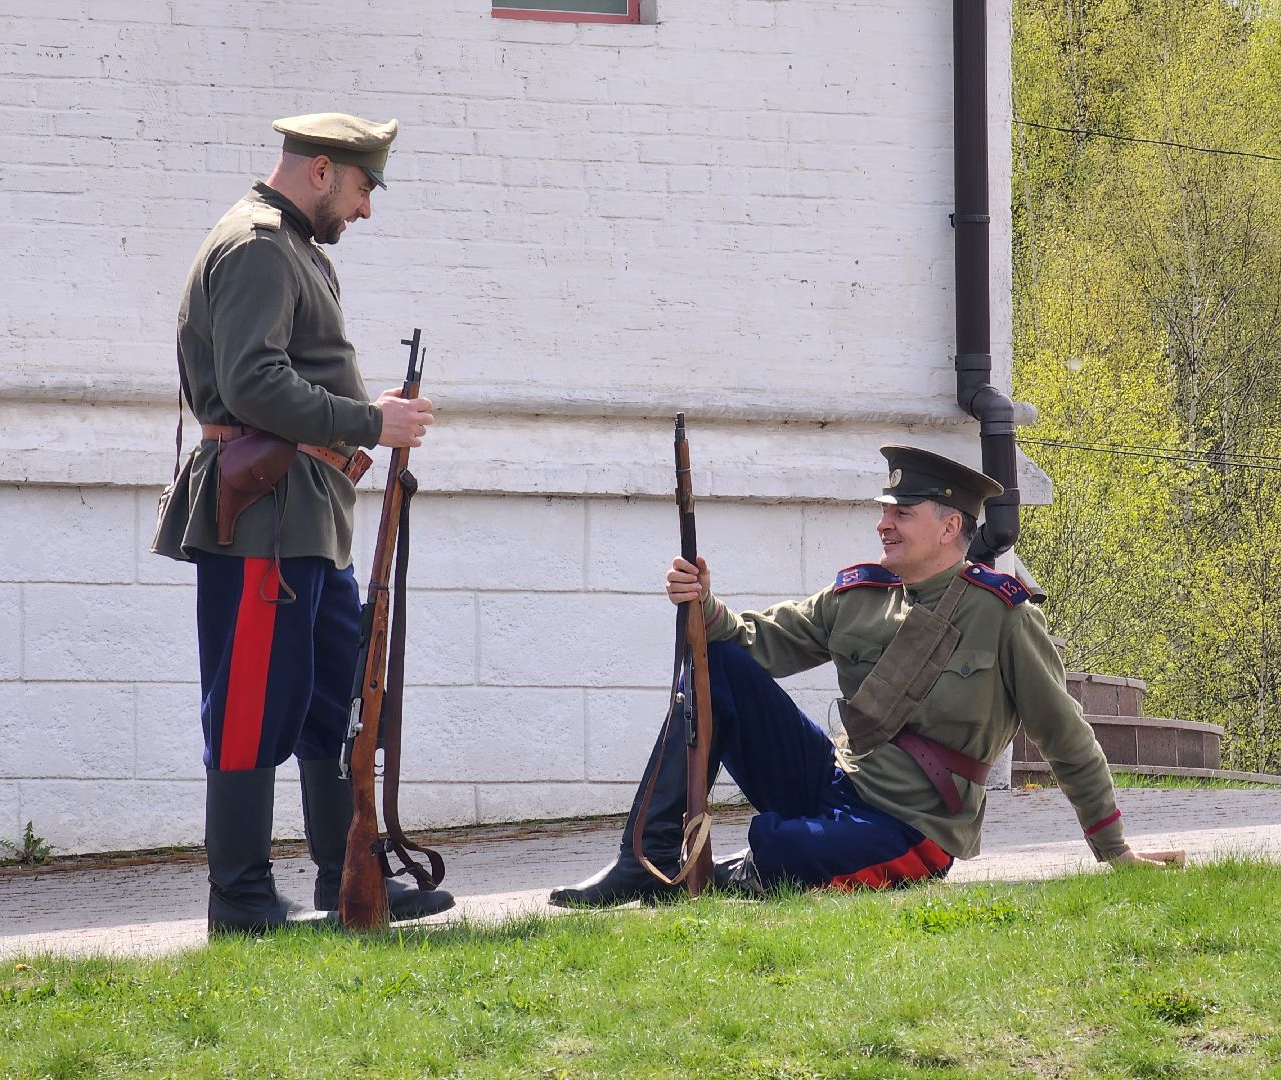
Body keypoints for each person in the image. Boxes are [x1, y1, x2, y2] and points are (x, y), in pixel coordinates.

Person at [551, 445, 1179, 906]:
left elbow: (1067, 737)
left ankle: (752, 864)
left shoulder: (1003, 617)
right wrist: (704, 604)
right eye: (885, 509)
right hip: (834, 783)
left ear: (951, 525)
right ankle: (650, 855)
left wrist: (1114, 849)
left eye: (902, 512)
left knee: (782, 845)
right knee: (721, 665)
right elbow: (757, 641)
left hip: (912, 826)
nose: (884, 523)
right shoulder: (858, 595)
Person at [153, 112, 454, 933]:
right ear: (320, 170)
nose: (364, 209)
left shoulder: (291, 248)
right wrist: (369, 423)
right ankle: (242, 899)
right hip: (265, 522)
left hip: (308, 519)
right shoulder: (257, 245)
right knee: (250, 706)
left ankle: (345, 873)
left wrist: (364, 419)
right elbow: (252, 387)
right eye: (361, 188)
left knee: (332, 702)